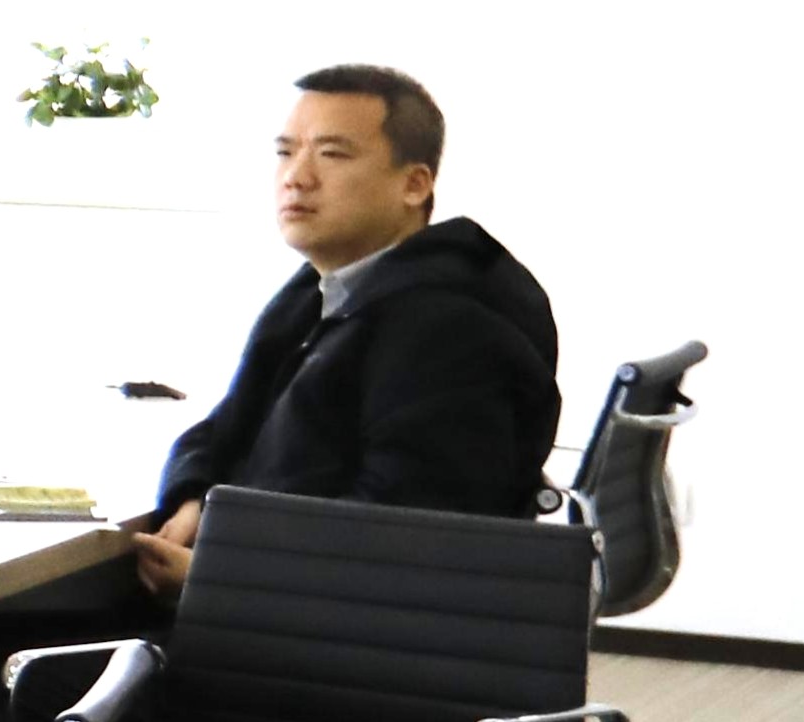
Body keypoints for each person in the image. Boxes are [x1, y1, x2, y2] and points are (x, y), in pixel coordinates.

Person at [129, 64, 563, 585]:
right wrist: (194, 497)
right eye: (285, 152)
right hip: (264, 587)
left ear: (414, 185)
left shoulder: (448, 328)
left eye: (332, 154)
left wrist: (221, 576)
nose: (297, 177)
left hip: (315, 620)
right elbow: (224, 429)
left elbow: (404, 541)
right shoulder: (322, 292)